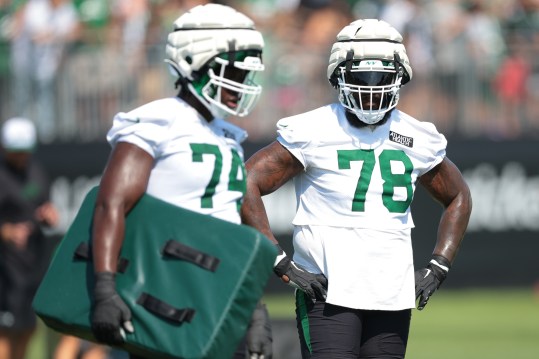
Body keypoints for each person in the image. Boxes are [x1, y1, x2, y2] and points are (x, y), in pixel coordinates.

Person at [240, 19, 472, 359]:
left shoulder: (417, 136)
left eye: (381, 78)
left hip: (391, 293)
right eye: (361, 77)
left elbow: (459, 196)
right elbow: (246, 181)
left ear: (400, 77)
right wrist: (279, 260)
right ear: (339, 76)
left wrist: (440, 265)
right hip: (328, 293)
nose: (371, 87)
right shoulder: (313, 129)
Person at [88, 4, 271, 359]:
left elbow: (233, 233)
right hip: (164, 294)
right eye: (232, 70)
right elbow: (111, 205)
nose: (240, 84)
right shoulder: (157, 121)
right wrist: (105, 288)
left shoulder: (227, 136)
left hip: (222, 297)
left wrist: (254, 308)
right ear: (193, 62)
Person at [0, 117, 60, 359]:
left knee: (26, 328)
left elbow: (43, 205)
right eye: (16, 152)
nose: (21, 157)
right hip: (5, 269)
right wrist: (6, 232)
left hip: (32, 263)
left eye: (25, 151)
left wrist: (48, 215)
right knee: (5, 331)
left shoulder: (36, 171)